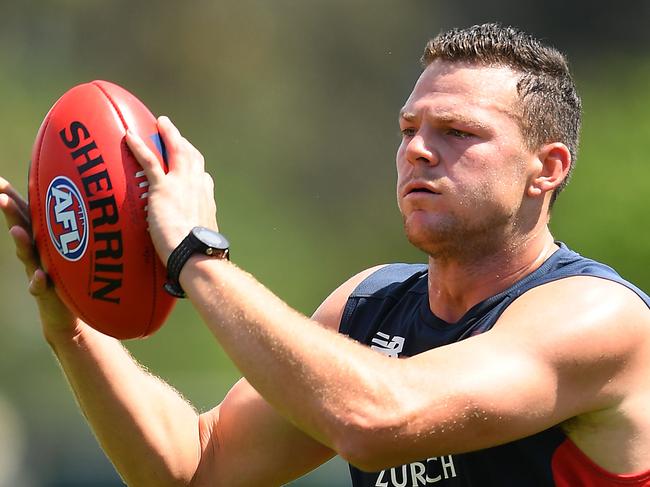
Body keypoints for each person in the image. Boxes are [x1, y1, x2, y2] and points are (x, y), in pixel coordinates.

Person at [1, 23, 649, 487]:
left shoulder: (597, 317)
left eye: (457, 132)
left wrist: (195, 254)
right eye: (407, 130)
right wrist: (75, 328)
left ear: (547, 169)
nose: (418, 150)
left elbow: (378, 418)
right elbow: (195, 466)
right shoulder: (370, 307)